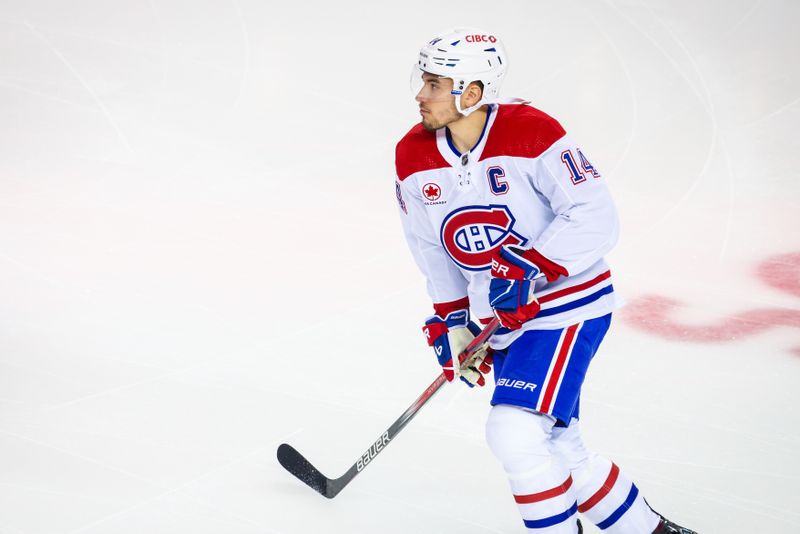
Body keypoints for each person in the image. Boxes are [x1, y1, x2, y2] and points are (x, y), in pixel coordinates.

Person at [395, 28, 698, 534]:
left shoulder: (532, 132)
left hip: (566, 308)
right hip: (504, 320)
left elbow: (595, 214)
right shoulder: (412, 156)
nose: (420, 94)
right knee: (559, 445)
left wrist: (531, 264)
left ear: (471, 93)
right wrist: (453, 320)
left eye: (433, 83)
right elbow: (430, 246)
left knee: (514, 433)